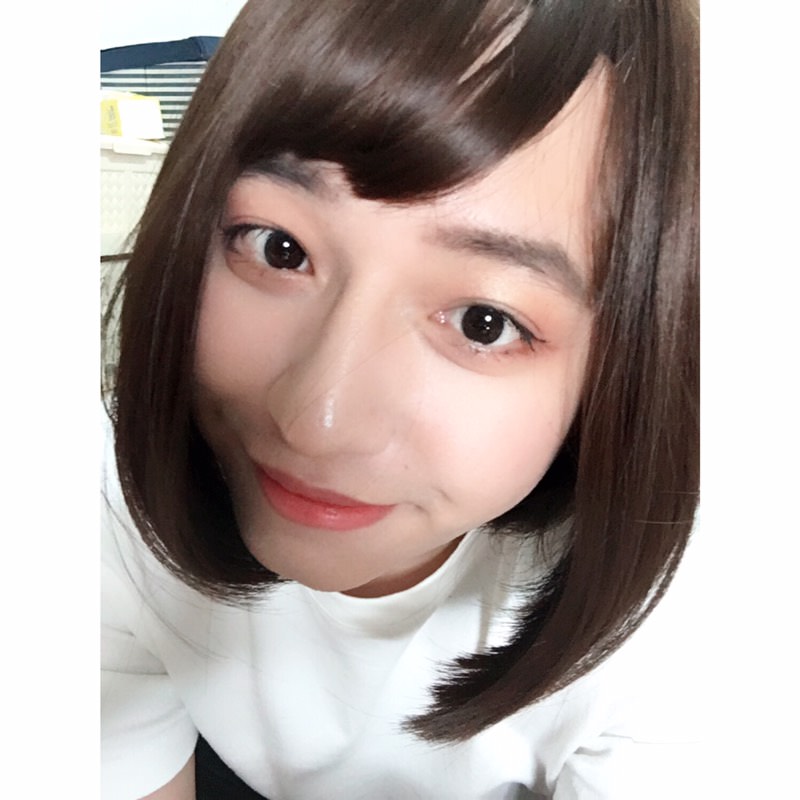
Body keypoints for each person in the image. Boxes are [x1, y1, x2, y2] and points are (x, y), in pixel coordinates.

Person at [101, 0, 700, 797]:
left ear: (622, 360)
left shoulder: (689, 618)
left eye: (484, 322)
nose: (316, 422)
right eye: (280, 249)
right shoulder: (93, 498)